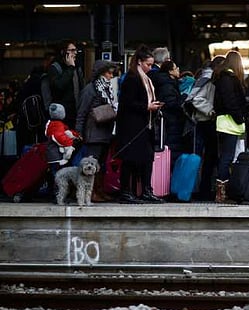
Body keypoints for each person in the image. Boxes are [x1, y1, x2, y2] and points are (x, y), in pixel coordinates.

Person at [116, 44, 165, 204]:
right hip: (133, 127)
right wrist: (147, 106)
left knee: (147, 158)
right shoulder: (132, 79)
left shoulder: (145, 79)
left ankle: (146, 190)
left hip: (144, 126)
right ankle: (126, 191)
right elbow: (126, 103)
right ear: (138, 62)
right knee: (130, 159)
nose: (150, 68)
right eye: (148, 64)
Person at [75, 60, 118, 202]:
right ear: (100, 73)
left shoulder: (107, 89)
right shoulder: (90, 89)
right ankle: (90, 192)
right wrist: (78, 132)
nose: (111, 76)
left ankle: (99, 191)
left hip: (105, 133)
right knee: (91, 165)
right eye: (108, 73)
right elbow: (81, 112)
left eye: (112, 73)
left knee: (101, 166)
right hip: (94, 134)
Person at [187, 56, 225, 200]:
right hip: (207, 121)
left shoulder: (206, 78)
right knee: (209, 156)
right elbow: (196, 98)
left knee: (208, 157)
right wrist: (211, 111)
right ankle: (203, 189)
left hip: (206, 121)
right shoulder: (210, 79)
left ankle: (204, 189)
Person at [213, 50, 248, 203]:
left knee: (227, 156)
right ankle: (222, 192)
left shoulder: (223, 77)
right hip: (230, 123)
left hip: (226, 121)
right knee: (227, 157)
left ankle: (224, 191)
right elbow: (231, 101)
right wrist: (240, 118)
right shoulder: (228, 78)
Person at [154, 60, 188, 167]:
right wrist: (184, 98)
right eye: (175, 68)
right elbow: (171, 104)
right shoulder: (167, 85)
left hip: (171, 122)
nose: (178, 70)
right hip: (171, 123)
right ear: (170, 71)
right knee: (172, 151)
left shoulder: (169, 83)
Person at [48, 40, 84, 129]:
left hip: (76, 112)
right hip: (62, 115)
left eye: (75, 50)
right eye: (72, 50)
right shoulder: (55, 68)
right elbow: (59, 86)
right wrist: (70, 68)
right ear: (63, 52)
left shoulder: (77, 67)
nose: (75, 53)